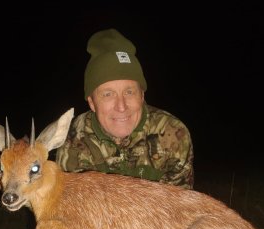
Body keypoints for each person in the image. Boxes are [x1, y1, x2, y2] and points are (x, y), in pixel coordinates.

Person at [56, 28, 194, 189]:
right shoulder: (72, 141)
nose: (121, 106)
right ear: (92, 102)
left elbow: (178, 207)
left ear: (142, 95)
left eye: (129, 92)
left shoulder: (173, 135)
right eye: (108, 94)